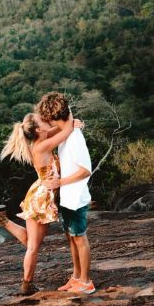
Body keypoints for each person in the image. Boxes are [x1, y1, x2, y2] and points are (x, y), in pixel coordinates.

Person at [0, 112, 82, 295]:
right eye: (42, 121)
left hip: (41, 194)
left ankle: (2, 220)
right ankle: (27, 284)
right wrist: (68, 116)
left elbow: (60, 128)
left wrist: (71, 123)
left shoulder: (43, 138)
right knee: (33, 246)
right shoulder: (42, 146)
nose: (46, 120)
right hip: (40, 198)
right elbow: (65, 130)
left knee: (32, 241)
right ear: (37, 129)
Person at [37, 92, 95, 295]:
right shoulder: (66, 133)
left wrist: (59, 182)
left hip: (76, 196)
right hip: (67, 196)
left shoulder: (74, 137)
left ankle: (86, 282)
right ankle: (76, 277)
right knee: (71, 238)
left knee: (80, 238)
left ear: (52, 118)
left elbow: (86, 169)